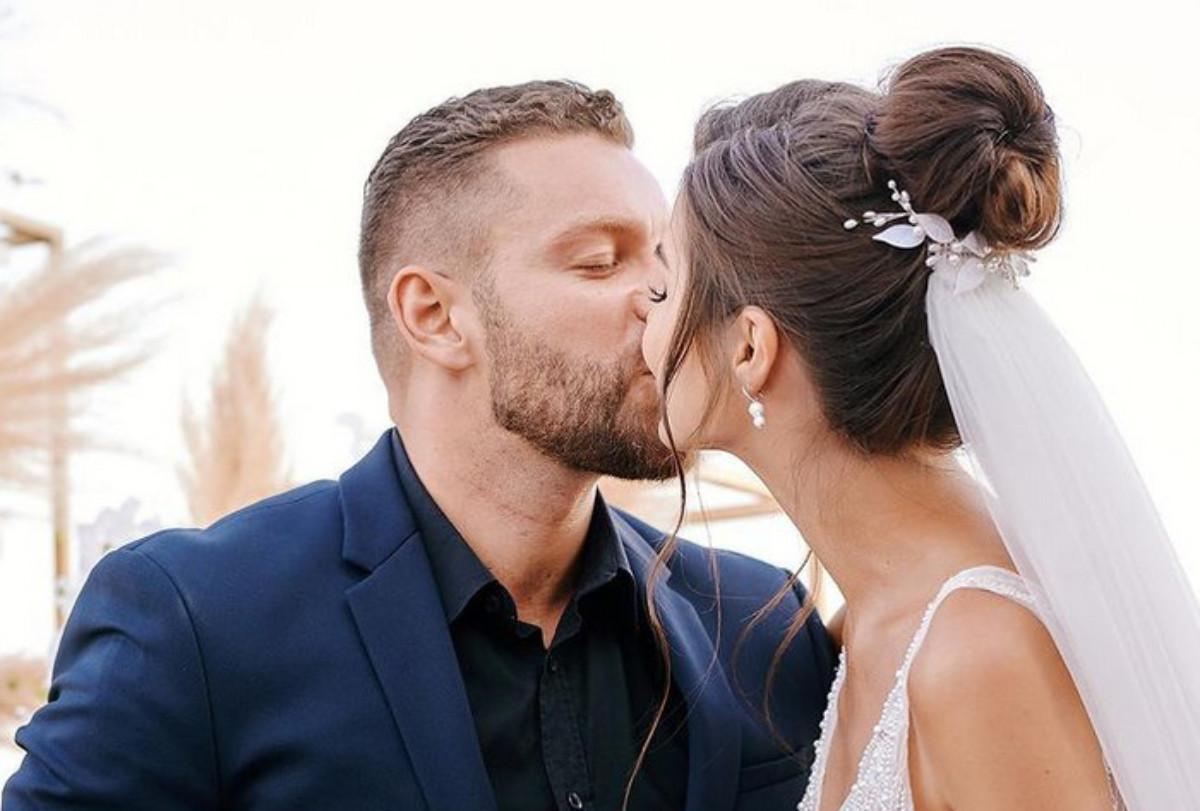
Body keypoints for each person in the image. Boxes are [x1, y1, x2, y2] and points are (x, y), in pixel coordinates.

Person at [3, 81, 836, 811]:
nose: (663, 302)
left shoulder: (765, 623)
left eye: (664, 262)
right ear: (434, 316)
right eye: (597, 261)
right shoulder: (193, 622)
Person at [642, 47, 1200, 809]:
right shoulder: (869, 620)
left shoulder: (979, 651)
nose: (638, 316)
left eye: (662, 286)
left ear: (749, 347)